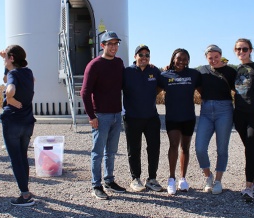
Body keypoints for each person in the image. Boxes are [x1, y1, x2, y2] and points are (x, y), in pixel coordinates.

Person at [80, 31, 126, 200]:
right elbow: (84, 92)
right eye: (110, 44)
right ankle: (96, 185)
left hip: (116, 114)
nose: (113, 47)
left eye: (116, 44)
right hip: (101, 115)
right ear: (102, 46)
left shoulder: (119, 63)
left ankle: (109, 180)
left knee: (111, 152)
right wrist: (92, 116)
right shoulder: (94, 65)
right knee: (98, 152)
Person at [158, 48, 202, 195]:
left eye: (185, 59)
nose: (181, 61)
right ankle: (171, 179)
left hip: (189, 117)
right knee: (173, 146)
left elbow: (204, 91)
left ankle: (183, 178)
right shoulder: (164, 75)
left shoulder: (194, 74)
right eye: (179, 58)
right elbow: (151, 91)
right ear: (173, 59)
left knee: (186, 147)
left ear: (188, 60)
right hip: (172, 117)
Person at [194, 44, 236, 195]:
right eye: (210, 58)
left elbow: (239, 90)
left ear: (221, 55)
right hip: (206, 110)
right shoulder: (202, 71)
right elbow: (197, 85)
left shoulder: (230, 71)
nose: (213, 60)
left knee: (222, 148)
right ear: (206, 58)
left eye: (216, 57)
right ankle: (208, 176)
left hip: (224, 110)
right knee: (199, 148)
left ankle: (218, 180)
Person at [0, 45, 37, 206]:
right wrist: (6, 64)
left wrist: (10, 99)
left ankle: (25, 195)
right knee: (22, 156)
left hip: (13, 121)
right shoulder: (28, 72)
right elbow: (8, 79)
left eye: (6, 57)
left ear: (12, 58)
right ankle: (25, 189)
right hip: (27, 121)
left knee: (15, 159)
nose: (4, 60)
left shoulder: (14, 74)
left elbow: (10, 88)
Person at [122, 45, 162, 192]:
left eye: (147, 55)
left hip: (151, 117)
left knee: (154, 148)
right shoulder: (127, 72)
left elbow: (161, 85)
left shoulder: (154, 71)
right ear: (135, 57)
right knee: (134, 149)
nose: (144, 57)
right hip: (132, 117)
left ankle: (151, 179)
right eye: (141, 55)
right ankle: (135, 178)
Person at [233, 39, 254, 202]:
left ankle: (248, 187)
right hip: (239, 114)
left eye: (244, 49)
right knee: (249, 148)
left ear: (250, 50)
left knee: (250, 147)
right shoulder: (236, 69)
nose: (241, 51)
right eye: (238, 49)